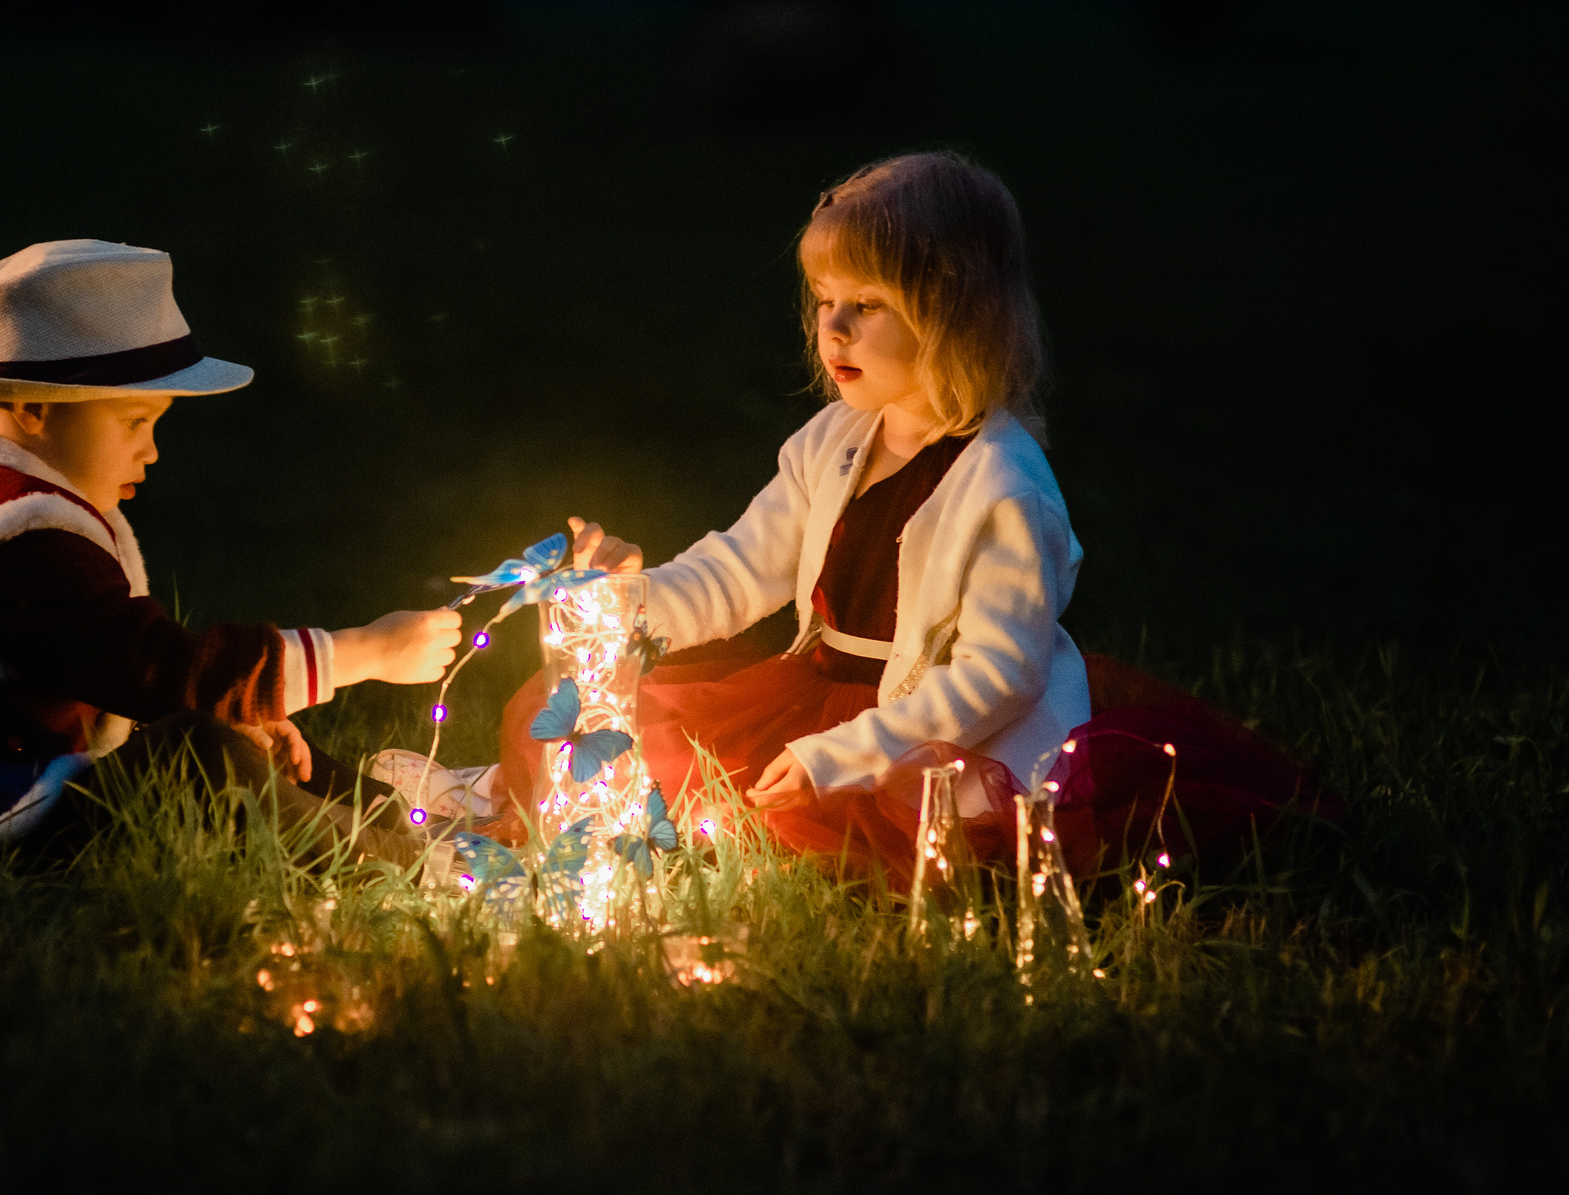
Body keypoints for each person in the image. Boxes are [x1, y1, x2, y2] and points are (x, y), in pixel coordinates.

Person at [476, 152, 1319, 876]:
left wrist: (835, 757)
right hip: (811, 701)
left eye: (866, 305)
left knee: (902, 826)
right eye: (822, 300)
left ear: (952, 315)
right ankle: (486, 797)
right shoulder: (833, 442)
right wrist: (623, 601)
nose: (832, 329)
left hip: (932, 734)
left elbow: (997, 676)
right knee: (618, 733)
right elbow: (740, 567)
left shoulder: (1003, 487)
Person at [0, 239, 460, 858]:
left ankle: (401, 817)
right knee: (199, 750)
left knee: (235, 728)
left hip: (10, 768)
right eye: (134, 422)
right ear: (37, 407)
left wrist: (235, 710)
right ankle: (412, 859)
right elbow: (159, 668)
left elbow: (101, 671)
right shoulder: (18, 540)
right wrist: (365, 651)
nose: (150, 450)